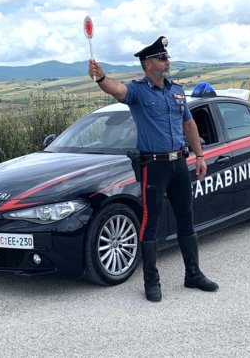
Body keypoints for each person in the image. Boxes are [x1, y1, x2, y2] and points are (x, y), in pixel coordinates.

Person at [88, 36, 218, 302]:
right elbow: (116, 90)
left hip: (179, 163)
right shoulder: (138, 91)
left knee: (186, 217)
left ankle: (193, 274)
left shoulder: (177, 91)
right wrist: (101, 78)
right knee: (151, 222)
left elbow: (189, 125)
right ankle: (151, 282)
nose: (167, 61)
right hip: (154, 166)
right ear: (148, 64)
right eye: (162, 58)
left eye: (166, 58)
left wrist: (200, 156)